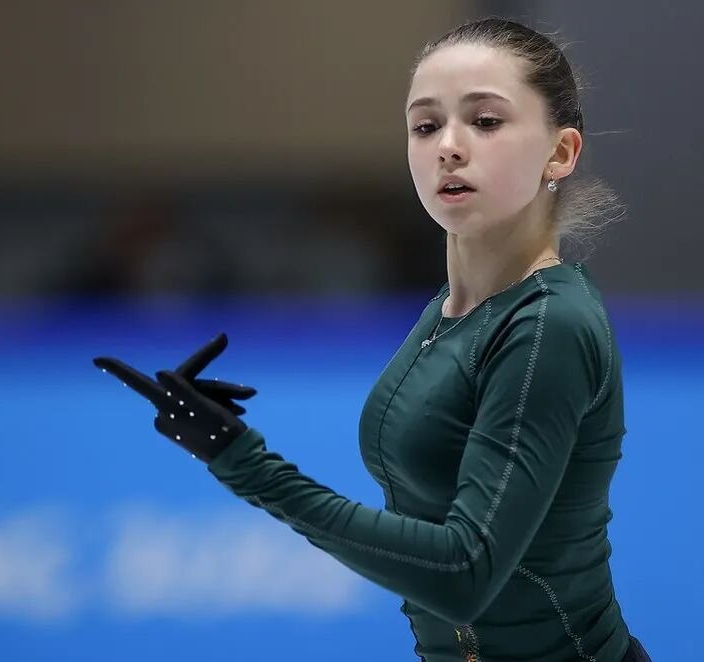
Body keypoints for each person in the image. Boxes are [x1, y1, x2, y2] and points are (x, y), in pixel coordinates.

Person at [93, 17, 651, 662]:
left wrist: (245, 464)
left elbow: (463, 571)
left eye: (485, 121)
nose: (449, 146)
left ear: (561, 152)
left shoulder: (548, 324)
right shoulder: (451, 309)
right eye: (426, 125)